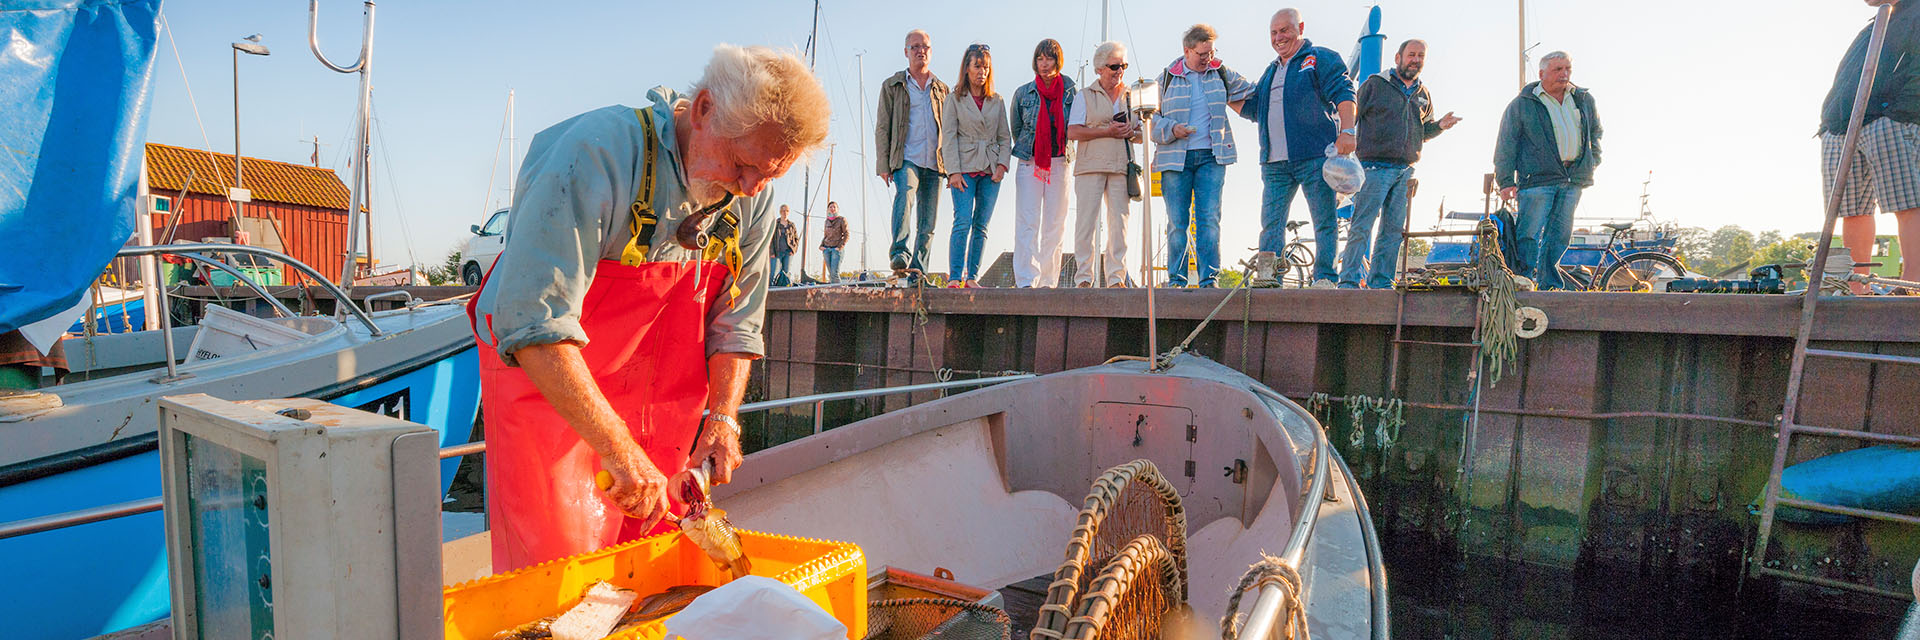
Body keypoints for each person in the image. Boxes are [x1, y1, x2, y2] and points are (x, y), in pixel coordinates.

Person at [468, 44, 829, 572]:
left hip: (663, 410)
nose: (752, 188)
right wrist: (616, 447)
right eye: (743, 164)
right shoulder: (594, 154)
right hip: (554, 390)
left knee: (654, 568)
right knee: (557, 574)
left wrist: (723, 419)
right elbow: (534, 325)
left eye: (769, 176)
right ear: (704, 109)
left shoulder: (755, 198)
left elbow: (737, 325)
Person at [1238, 9, 1354, 289]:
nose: (1279, 38)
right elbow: (1253, 109)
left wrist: (1348, 131)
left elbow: (1344, 92)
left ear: (1300, 27)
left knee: (1324, 219)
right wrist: (1222, 89)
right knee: (1271, 223)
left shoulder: (1320, 58)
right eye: (1274, 33)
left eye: (1285, 31)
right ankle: (1268, 276)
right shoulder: (1270, 71)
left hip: (1314, 156)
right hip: (1274, 163)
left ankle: (1325, 277)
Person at [1340, 39, 1460, 289]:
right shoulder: (1374, 85)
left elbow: (1423, 131)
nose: (1415, 59)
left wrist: (1440, 126)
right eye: (1411, 54)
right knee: (1362, 225)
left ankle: (1381, 282)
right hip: (1373, 167)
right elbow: (1351, 116)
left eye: (1420, 56)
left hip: (1405, 170)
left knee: (1393, 230)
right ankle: (1349, 280)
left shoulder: (1423, 94)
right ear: (1398, 57)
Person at [1822, 0, 1920, 293]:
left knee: (1907, 202)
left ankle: (1912, 283)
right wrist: (1829, 119)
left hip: (1888, 119)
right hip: (1842, 124)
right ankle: (1856, 286)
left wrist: (1897, 111)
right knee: (1851, 209)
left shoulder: (1915, 14)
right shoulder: (1877, 22)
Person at [1152, 24, 1253, 288]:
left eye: (1211, 52)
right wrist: (1172, 129)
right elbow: (1149, 118)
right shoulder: (1166, 78)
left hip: (1212, 156)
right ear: (1187, 51)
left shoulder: (1220, 72)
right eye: (1202, 53)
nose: (1207, 57)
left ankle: (1210, 279)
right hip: (1176, 158)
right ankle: (1177, 279)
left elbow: (1253, 91)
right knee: (1177, 221)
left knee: (1208, 218)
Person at [1493, 51, 1602, 290]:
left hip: (1573, 178)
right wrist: (1505, 181)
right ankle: (1522, 279)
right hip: (1536, 180)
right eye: (1557, 70)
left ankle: (1549, 284)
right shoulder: (1522, 104)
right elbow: (1506, 144)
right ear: (1542, 73)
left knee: (1560, 235)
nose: (1564, 74)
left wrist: (1592, 161)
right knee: (1528, 233)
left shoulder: (1583, 99)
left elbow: (1595, 133)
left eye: (1567, 69)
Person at [875, 30, 948, 284]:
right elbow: (883, 127)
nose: (921, 51)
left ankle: (919, 271)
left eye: (925, 46)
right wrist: (883, 164)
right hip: (906, 158)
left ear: (931, 50)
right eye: (915, 46)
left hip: (935, 163)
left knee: (928, 222)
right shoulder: (893, 85)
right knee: (904, 196)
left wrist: (952, 167)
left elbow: (949, 130)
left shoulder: (942, 89)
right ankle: (899, 253)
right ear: (906, 52)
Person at [1067, 40, 1140, 288]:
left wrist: (1131, 132)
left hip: (1120, 165)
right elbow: (1073, 131)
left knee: (1119, 224)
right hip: (1089, 166)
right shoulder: (1084, 96)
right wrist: (1107, 131)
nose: (1120, 70)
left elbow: (1142, 134)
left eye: (1123, 65)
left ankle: (1116, 278)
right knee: (1086, 223)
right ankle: (1084, 277)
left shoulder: (1131, 95)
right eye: (1114, 66)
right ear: (1099, 68)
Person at [941, 43, 1012, 288]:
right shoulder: (954, 99)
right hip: (964, 168)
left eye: (986, 67)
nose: (982, 71)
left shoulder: (997, 100)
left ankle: (972, 276)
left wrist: (1002, 166)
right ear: (967, 68)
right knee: (962, 220)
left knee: (981, 224)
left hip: (990, 170)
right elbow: (948, 137)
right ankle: (954, 276)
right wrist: (953, 172)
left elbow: (1005, 136)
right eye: (977, 66)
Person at [1009, 39, 1077, 288]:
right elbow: (1017, 128)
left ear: (1057, 61)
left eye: (1049, 58)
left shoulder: (1070, 91)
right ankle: (1027, 279)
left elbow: (1076, 124)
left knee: (1055, 223)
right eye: (1040, 58)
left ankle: (1049, 281)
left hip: (1061, 162)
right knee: (1027, 220)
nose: (1044, 63)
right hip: (1030, 162)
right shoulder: (1022, 92)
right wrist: (1037, 150)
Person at [770, 205, 799, 286]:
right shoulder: (775, 224)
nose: (784, 213)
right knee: (774, 273)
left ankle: (785, 289)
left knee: (786, 273)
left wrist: (793, 250)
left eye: (786, 211)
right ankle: (771, 290)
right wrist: (771, 252)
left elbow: (796, 238)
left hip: (788, 252)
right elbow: (770, 239)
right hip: (776, 252)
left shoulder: (791, 225)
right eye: (783, 211)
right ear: (780, 212)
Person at [821, 201, 848, 283]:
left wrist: (839, 247)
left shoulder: (841, 220)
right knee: (831, 274)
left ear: (837, 209)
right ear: (828, 210)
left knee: (834, 273)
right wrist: (821, 245)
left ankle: (839, 292)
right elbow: (826, 235)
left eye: (834, 207)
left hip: (836, 249)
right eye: (830, 207)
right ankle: (833, 293)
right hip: (826, 249)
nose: (832, 209)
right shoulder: (826, 221)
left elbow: (846, 234)